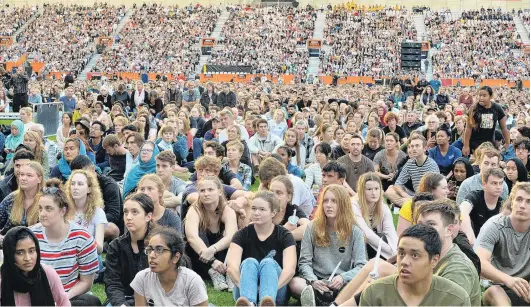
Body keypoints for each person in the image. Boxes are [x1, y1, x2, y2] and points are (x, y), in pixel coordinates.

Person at [334, 200, 481, 306]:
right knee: (376, 272)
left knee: (380, 272)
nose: (423, 230)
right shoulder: (428, 252)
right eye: (420, 224)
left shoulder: (458, 269)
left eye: (431, 225)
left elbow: (441, 300)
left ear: (449, 230)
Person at [291, 185, 367, 306]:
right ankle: (326, 301)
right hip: (317, 280)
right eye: (325, 201)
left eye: (334, 201)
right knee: (295, 283)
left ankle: (319, 302)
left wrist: (343, 277)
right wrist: (313, 280)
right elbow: (304, 262)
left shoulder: (355, 231)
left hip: (341, 283)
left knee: (364, 286)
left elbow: (362, 265)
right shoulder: (312, 227)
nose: (328, 205)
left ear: (343, 204)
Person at [358, 224, 471, 306]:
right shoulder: (375, 293)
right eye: (401, 253)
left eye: (415, 255)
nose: (404, 262)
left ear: (434, 260)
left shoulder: (456, 299)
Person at [31, 179, 101, 306]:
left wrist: (62, 299)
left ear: (63, 211)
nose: (42, 214)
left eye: (48, 209)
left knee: (90, 302)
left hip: (69, 295)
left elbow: (86, 282)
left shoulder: (82, 237)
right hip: (36, 295)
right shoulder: (31, 235)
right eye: (40, 209)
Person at [227, 191, 297, 306]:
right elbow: (231, 267)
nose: (256, 213)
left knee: (268, 262)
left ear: (273, 213)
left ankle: (267, 302)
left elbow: (289, 270)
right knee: (249, 261)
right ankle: (249, 303)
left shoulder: (285, 235)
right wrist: (249, 288)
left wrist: (271, 289)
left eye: (262, 209)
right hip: (244, 290)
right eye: (253, 208)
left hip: (276, 291)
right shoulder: (241, 235)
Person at [477, 182, 530, 306]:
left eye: (529, 201)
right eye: (519, 199)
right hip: (497, 285)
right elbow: (480, 262)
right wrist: (508, 280)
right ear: (512, 202)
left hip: (526, 286)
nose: (522, 205)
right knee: (496, 294)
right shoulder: (495, 225)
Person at [131, 227, 209, 306]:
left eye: (159, 250)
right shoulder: (142, 278)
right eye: (150, 249)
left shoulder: (192, 282)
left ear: (176, 257)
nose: (151, 255)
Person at [184, 176, 238, 290]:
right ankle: (213, 272)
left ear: (219, 191)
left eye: (210, 190)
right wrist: (212, 261)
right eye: (202, 190)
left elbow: (232, 236)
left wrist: (212, 250)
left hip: (219, 253)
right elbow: (192, 237)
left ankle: (229, 272)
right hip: (200, 256)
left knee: (229, 237)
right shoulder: (195, 209)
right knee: (198, 236)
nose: (206, 194)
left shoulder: (227, 210)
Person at [104, 193, 154, 307]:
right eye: (126, 212)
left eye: (135, 212)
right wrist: (121, 304)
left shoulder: (158, 245)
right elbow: (112, 283)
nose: (129, 217)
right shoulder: (116, 246)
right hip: (122, 300)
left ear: (148, 216)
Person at [0, 226, 70, 306]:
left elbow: (64, 302)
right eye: (20, 253)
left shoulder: (47, 273)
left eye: (31, 251)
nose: (27, 258)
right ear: (9, 254)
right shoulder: (2, 279)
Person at [385, 134, 439, 207]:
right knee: (390, 190)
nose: (414, 149)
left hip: (427, 198)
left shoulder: (431, 165)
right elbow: (398, 183)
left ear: (425, 148)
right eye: (412, 146)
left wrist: (412, 199)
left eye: (417, 146)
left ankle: (408, 205)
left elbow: (432, 192)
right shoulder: (410, 162)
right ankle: (411, 204)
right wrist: (406, 196)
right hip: (414, 195)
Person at [354, 173, 398, 260]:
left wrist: (397, 252)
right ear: (361, 191)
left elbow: (390, 232)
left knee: (387, 237)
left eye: (376, 189)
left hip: (378, 246)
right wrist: (391, 253)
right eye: (369, 189)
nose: (374, 193)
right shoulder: (353, 206)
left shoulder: (383, 207)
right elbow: (368, 235)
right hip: (358, 245)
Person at [65, 169, 107, 254]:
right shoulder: (64, 210)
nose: (75, 187)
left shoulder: (98, 212)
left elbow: (99, 249)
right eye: (72, 184)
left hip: (90, 255)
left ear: (89, 189)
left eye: (80, 184)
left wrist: (82, 238)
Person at [460, 168, 505, 245]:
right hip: (470, 243)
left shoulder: (503, 204)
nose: (498, 187)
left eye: (500, 183)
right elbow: (462, 210)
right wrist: (470, 235)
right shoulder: (474, 196)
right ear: (484, 184)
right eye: (494, 183)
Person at [462, 86, 510, 156]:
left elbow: (504, 128)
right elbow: (468, 128)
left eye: (484, 96)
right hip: (474, 143)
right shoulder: (473, 109)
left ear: (490, 96)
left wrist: (507, 142)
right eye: (479, 95)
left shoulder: (497, 108)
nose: (481, 98)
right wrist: (466, 145)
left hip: (489, 144)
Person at [0, 162, 44, 236]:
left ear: (39, 179)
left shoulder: (46, 200)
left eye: (29, 175)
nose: (23, 178)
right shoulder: (11, 199)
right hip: (10, 243)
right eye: (21, 175)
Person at [268, 175, 310, 242]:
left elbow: (309, 228)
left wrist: (284, 235)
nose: (274, 196)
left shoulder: (293, 210)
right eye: (271, 192)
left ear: (289, 197)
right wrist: (284, 229)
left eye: (279, 193)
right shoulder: (263, 209)